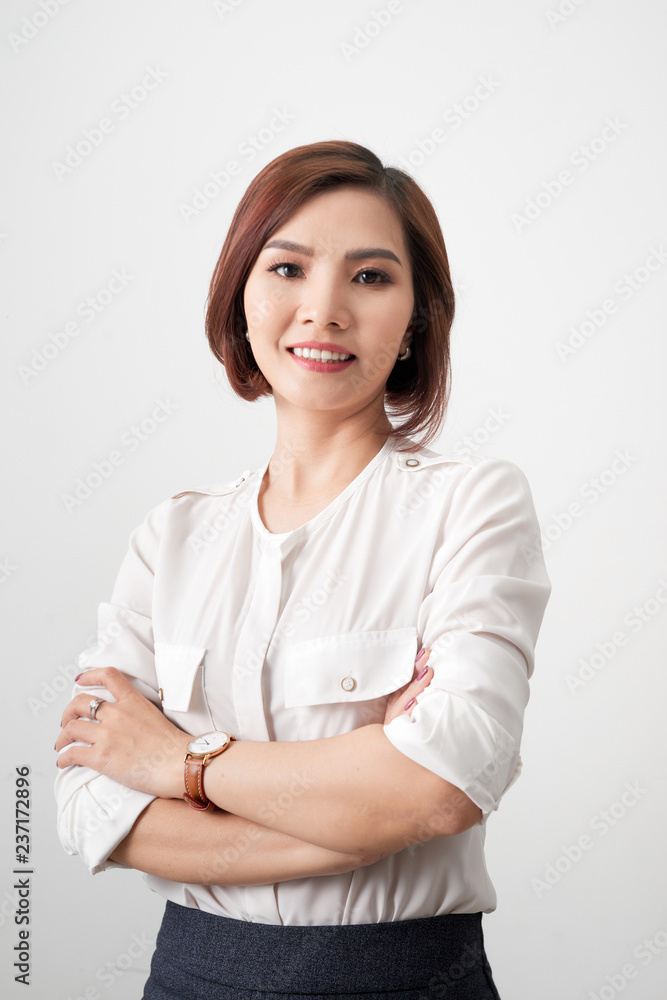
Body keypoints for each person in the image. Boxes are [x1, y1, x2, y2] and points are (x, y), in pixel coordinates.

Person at [54, 139, 552, 1000]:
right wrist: (362, 812)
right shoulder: (169, 537)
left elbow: (438, 789)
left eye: (369, 277)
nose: (322, 311)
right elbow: (88, 807)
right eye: (287, 267)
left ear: (416, 319)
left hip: (404, 981)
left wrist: (180, 765)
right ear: (239, 294)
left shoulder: (472, 506)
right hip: (188, 979)